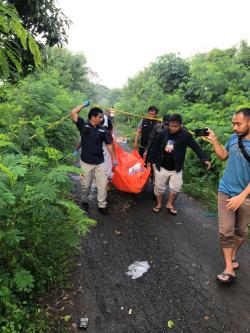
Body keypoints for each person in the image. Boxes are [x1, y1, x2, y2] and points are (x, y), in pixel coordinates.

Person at [207, 108, 250, 284]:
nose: (234, 127)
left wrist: (242, 196)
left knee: (241, 231)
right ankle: (228, 267)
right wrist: (214, 141)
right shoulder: (234, 138)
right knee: (226, 231)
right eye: (233, 123)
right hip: (225, 190)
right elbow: (224, 156)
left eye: (238, 124)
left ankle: (232, 255)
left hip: (246, 197)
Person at [148, 113, 211, 215]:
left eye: (175, 126)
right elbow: (155, 147)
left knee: (176, 187)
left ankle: (169, 203)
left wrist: (204, 159)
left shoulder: (185, 135)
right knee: (158, 187)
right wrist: (150, 162)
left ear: (180, 125)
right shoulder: (163, 133)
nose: (173, 128)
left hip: (176, 168)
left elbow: (196, 147)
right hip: (162, 166)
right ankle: (159, 204)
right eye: (171, 125)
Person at [71, 103, 117, 214]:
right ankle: (84, 201)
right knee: (85, 185)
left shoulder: (103, 130)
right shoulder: (83, 125)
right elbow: (73, 112)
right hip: (85, 163)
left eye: (102, 117)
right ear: (93, 117)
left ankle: (102, 205)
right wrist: (84, 104)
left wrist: (114, 158)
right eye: (100, 117)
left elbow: (109, 145)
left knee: (102, 185)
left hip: (100, 163)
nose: (102, 119)